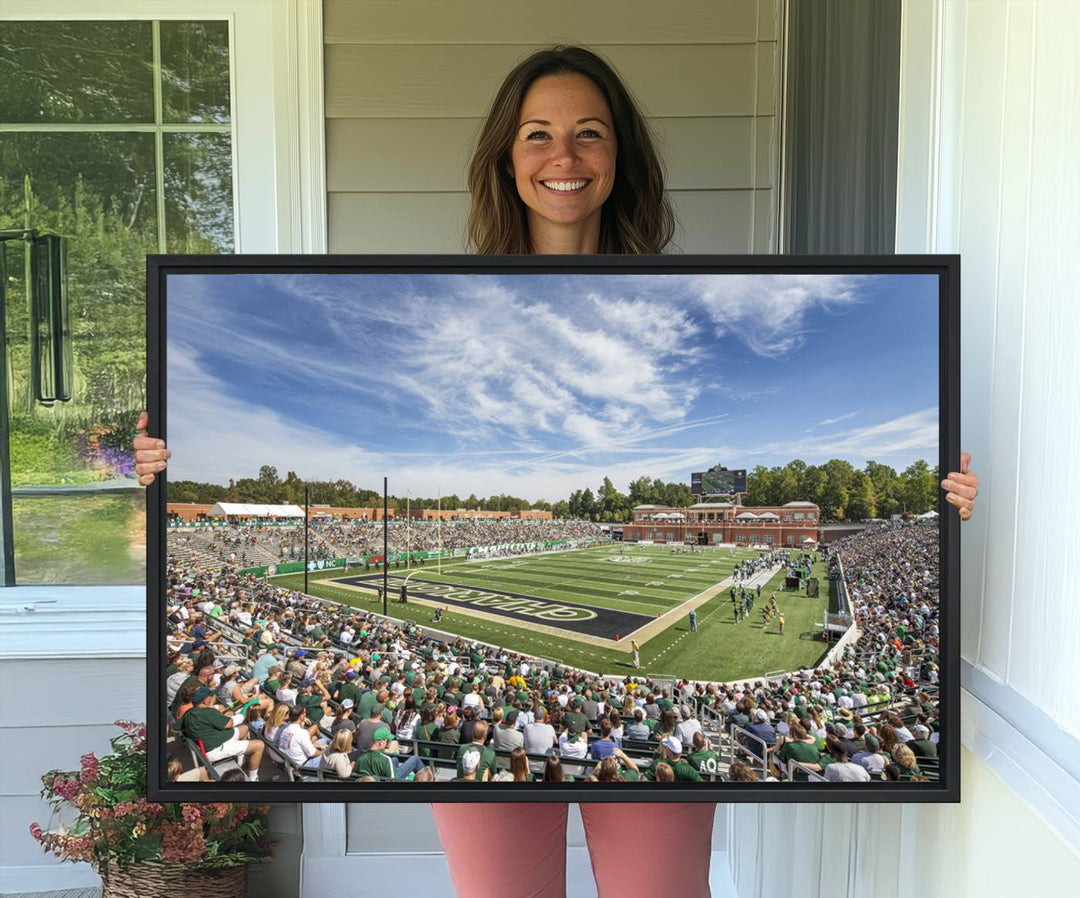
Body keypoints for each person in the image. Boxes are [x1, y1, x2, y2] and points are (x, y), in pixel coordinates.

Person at [136, 42, 979, 898]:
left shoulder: (679, 292)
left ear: (621, 157)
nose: (563, 157)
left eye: (589, 133)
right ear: (507, 157)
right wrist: (158, 466)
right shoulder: (449, 299)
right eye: (537, 134)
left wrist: (942, 504)